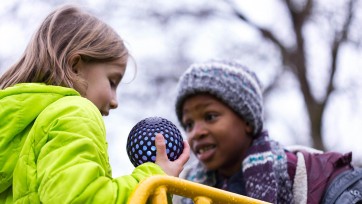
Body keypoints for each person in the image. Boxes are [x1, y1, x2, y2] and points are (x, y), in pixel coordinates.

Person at [0, 4, 189, 203]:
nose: (115, 102)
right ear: (75, 67)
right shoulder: (74, 112)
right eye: (112, 82)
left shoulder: (16, 129)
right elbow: (81, 198)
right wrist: (155, 178)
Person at [173, 59, 361, 204]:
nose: (196, 133)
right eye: (188, 124)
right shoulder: (180, 188)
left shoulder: (315, 175)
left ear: (247, 120)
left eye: (210, 117)